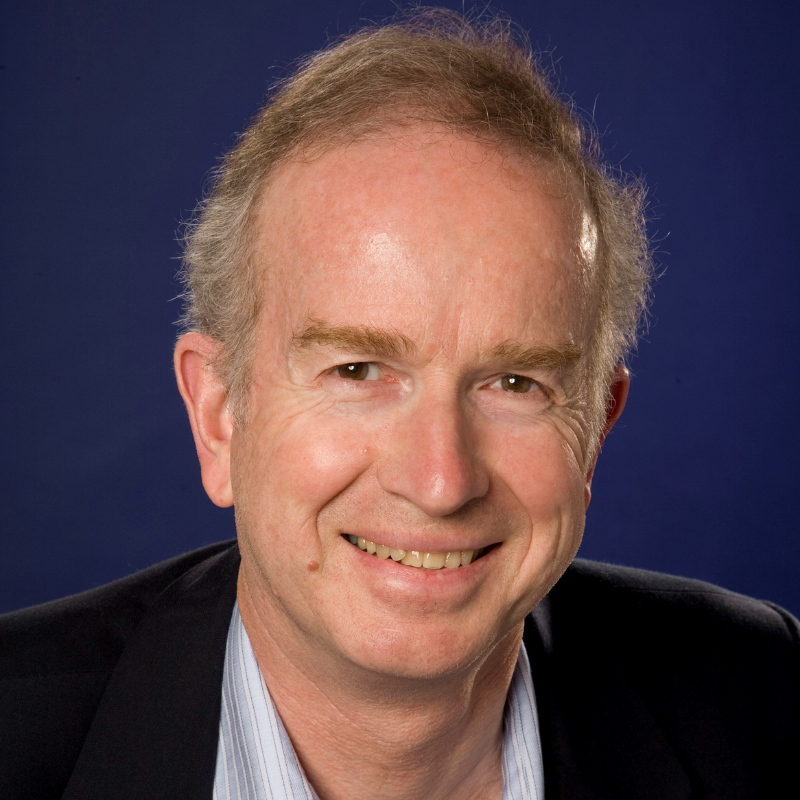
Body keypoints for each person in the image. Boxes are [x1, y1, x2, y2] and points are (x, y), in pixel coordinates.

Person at [1, 9, 797, 800]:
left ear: (593, 434)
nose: (440, 481)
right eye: (357, 370)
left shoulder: (769, 703)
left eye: (516, 384)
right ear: (219, 414)